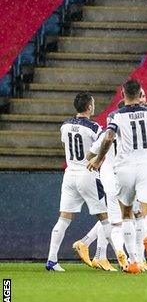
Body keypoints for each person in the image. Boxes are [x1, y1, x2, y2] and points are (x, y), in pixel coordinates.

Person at [88, 79, 147, 274]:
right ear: (139, 94)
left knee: (125, 214)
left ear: (123, 94)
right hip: (146, 166)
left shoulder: (117, 116)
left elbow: (109, 137)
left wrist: (99, 159)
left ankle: (132, 260)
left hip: (124, 169)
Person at [45, 92, 111, 272]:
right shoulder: (95, 127)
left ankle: (51, 260)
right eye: (93, 104)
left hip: (70, 173)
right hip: (87, 173)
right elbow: (101, 147)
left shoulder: (65, 125)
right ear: (89, 107)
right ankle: (122, 258)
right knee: (107, 217)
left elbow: (65, 145)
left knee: (63, 219)